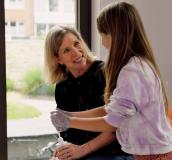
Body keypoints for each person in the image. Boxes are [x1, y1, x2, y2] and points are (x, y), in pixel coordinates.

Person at [50, 2, 172, 160]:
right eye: (67, 50)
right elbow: (110, 110)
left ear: (116, 34)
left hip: (152, 155)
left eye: (103, 34)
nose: (102, 42)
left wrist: (70, 121)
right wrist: (70, 115)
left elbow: (112, 123)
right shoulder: (137, 65)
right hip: (147, 153)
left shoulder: (131, 72)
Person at [44, 25, 132, 160]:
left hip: (115, 152)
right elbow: (67, 131)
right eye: (67, 50)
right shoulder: (62, 86)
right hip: (84, 153)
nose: (76, 52)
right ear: (58, 59)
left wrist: (81, 150)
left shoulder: (106, 72)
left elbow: (116, 127)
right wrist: (67, 150)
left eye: (76, 44)